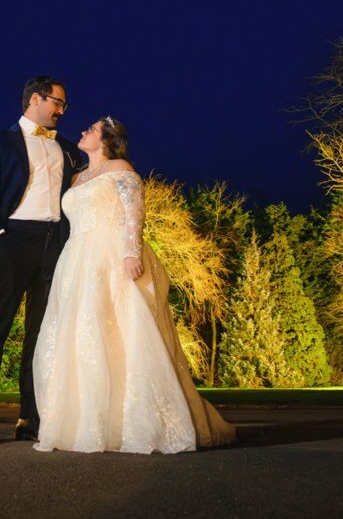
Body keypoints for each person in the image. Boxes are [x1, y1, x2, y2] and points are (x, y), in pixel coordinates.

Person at [32, 116, 236, 453]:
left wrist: (130, 252)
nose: (83, 131)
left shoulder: (120, 167)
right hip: (78, 259)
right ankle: (85, 424)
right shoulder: (77, 176)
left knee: (121, 331)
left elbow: (134, 212)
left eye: (92, 130)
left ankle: (137, 422)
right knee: (81, 333)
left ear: (108, 140)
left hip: (111, 254)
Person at [0, 76, 85, 447]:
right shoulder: (0, 143)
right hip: (13, 240)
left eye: (64, 105)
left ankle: (29, 418)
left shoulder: (66, 149)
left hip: (54, 245)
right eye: (58, 103)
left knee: (40, 335)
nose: (62, 110)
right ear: (36, 99)